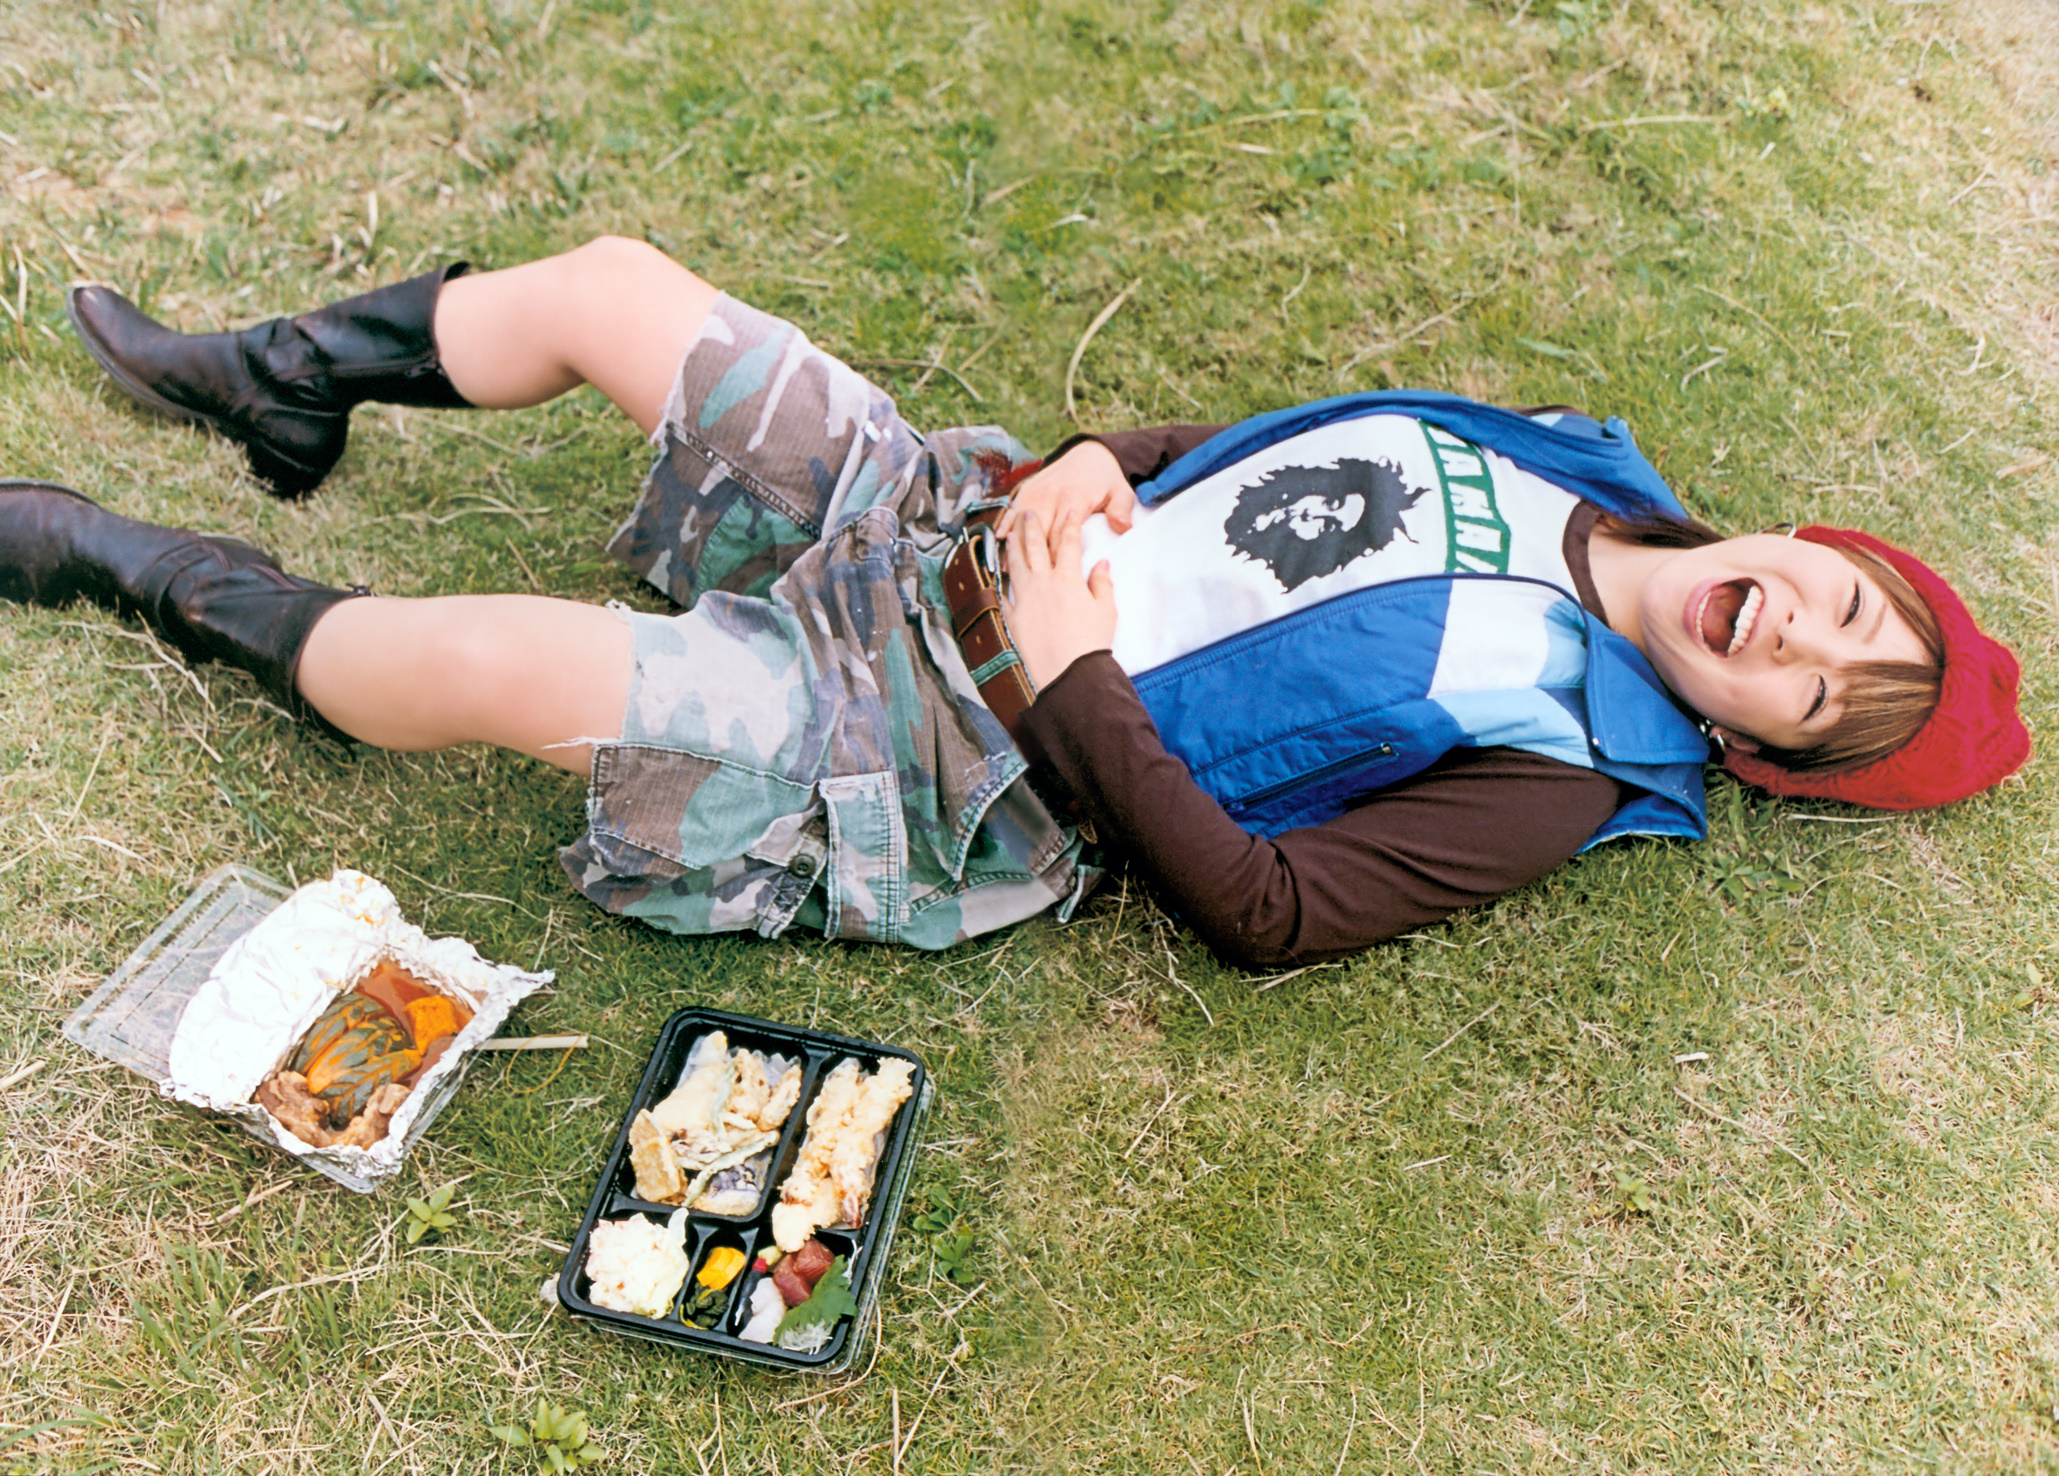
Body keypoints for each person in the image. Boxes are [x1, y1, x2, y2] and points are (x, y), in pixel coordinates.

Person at [2, 237, 2030, 969]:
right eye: (1846, 610)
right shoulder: (1560, 460)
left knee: (470, 658)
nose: (1798, 642)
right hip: (939, 513)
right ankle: (281, 384)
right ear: (1815, 546)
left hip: (933, 732)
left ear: (1760, 758)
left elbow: (1271, 916)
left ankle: (148, 571)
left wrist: (1070, 673)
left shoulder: (1559, 769)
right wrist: (1090, 461)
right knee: (610, 289)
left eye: (1819, 701)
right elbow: (1274, 462)